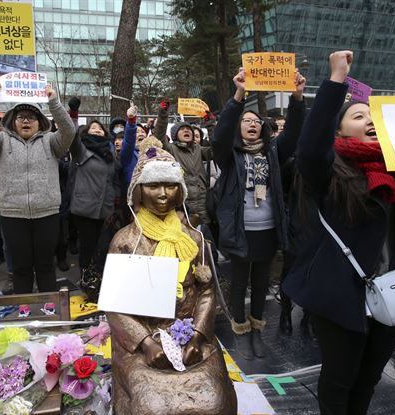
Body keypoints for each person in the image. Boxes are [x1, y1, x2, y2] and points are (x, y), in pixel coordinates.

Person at [282, 50, 395, 415]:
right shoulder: (329, 170)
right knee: (339, 380)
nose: (369, 120)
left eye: (374, 117)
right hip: (342, 297)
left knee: (368, 380)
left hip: (394, 293)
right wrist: (336, 78)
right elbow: (310, 147)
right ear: (339, 128)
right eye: (359, 115)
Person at [106, 137, 237, 414]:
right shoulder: (126, 240)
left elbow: (207, 291)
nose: (163, 194)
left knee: (214, 401)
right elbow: (116, 304)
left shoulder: (193, 237)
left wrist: (199, 335)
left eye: (170, 186)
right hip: (142, 340)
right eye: (154, 186)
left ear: (180, 191)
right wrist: (146, 343)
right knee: (150, 405)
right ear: (139, 191)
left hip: (189, 332)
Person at [212, 67, 306, 359]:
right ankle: (240, 331)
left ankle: (257, 331)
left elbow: (293, 133)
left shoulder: (273, 153)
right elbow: (220, 135)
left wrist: (297, 98)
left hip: (268, 231)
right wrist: (238, 95)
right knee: (240, 283)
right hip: (241, 231)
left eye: (256, 121)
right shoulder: (229, 156)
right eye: (246, 121)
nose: (252, 124)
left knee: (262, 282)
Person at [0, 82, 75, 316]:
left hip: (47, 213)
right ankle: (23, 304)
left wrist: (54, 103)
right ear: (12, 121)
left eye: (32, 117)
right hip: (12, 214)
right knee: (20, 265)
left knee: (46, 263)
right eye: (20, 117)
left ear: (41, 122)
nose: (26, 121)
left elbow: (69, 131)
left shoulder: (51, 142)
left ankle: (50, 303)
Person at [69, 120, 120, 272]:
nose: (97, 130)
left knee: (103, 245)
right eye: (93, 128)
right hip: (85, 208)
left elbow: (113, 180)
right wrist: (73, 114)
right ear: (86, 132)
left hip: (105, 209)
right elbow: (71, 135)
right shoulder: (81, 150)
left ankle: (98, 277)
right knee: (87, 245)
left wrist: (114, 202)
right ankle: (85, 277)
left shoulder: (109, 153)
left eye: (100, 128)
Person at [154, 101, 212, 225]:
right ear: (175, 135)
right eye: (182, 129)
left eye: (189, 129)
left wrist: (211, 124)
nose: (187, 131)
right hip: (181, 203)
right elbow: (158, 135)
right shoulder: (170, 149)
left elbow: (217, 148)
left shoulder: (198, 149)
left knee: (204, 237)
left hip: (202, 201)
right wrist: (163, 114)